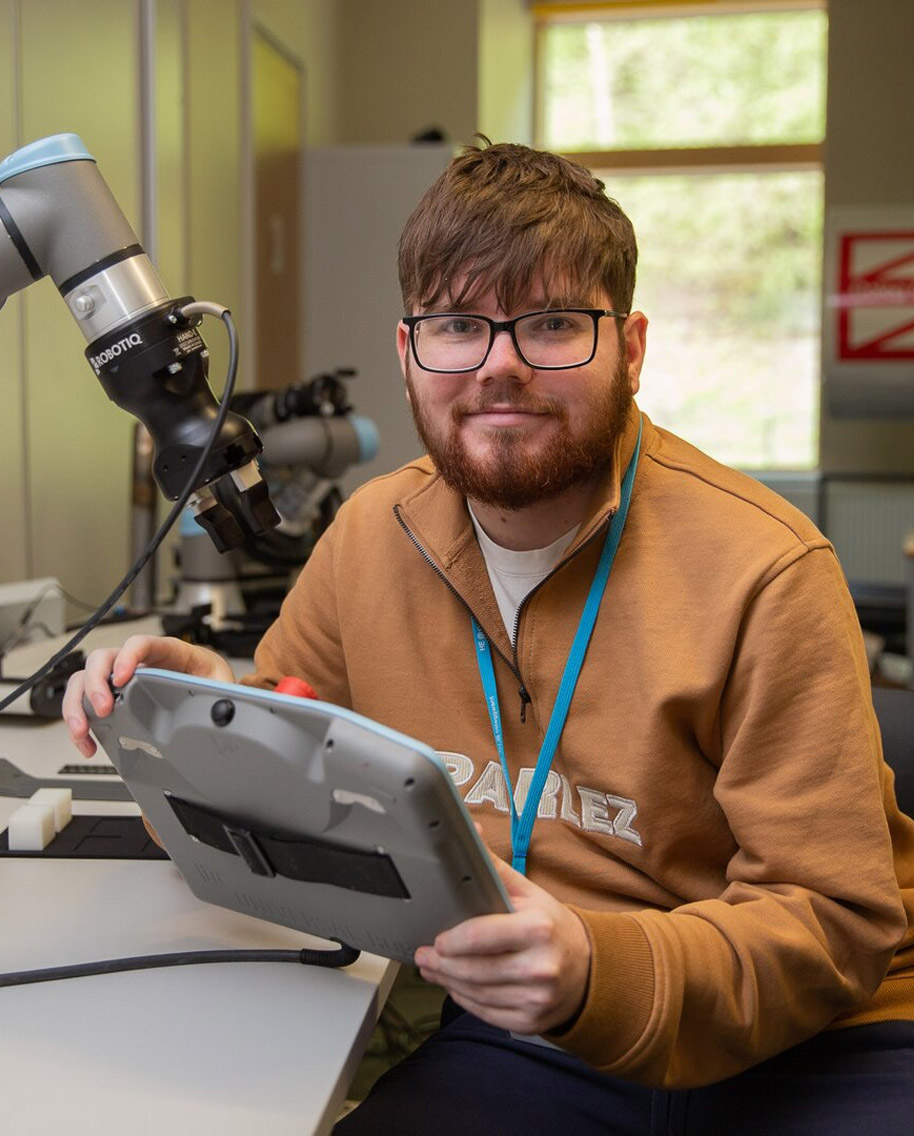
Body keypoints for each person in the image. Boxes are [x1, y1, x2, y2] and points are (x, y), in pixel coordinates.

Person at [64, 141, 914, 1134]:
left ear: (629, 349)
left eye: (552, 324)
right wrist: (200, 699)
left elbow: (833, 920)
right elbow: (295, 736)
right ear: (407, 350)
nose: (499, 365)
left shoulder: (765, 569)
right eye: (459, 325)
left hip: (812, 1045)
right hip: (532, 1037)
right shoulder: (371, 537)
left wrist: (597, 968)